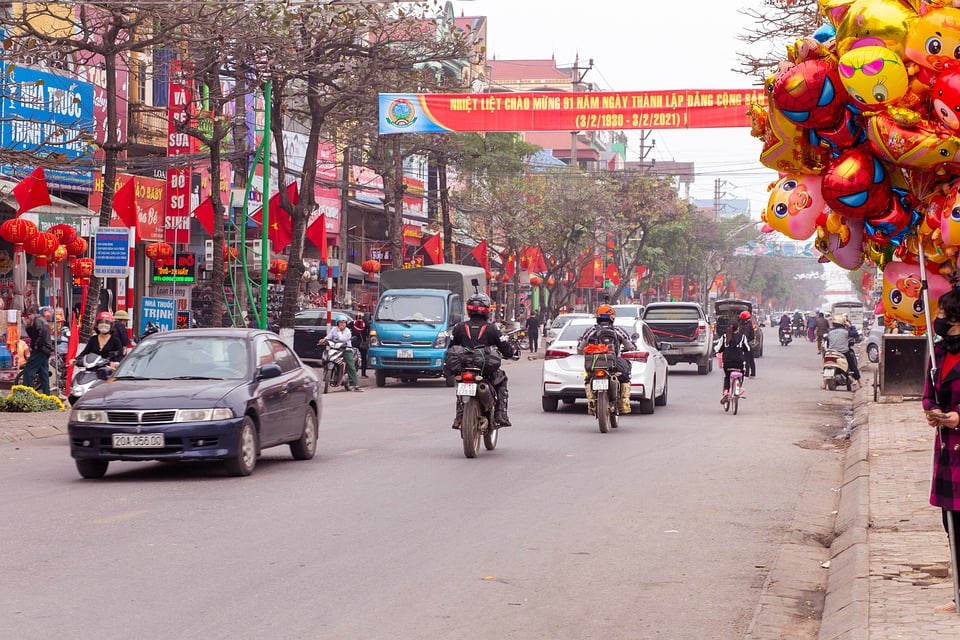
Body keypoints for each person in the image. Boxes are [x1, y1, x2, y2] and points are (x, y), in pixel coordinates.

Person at [922, 288, 960, 613]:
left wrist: (958, 416)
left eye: (948, 317)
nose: (941, 321)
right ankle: (958, 595)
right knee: (952, 525)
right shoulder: (938, 353)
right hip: (948, 451)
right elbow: (927, 394)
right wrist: (933, 411)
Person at [450, 292, 516, 428]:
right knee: (502, 378)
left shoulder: (459, 328)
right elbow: (506, 350)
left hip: (464, 367)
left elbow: (451, 348)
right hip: (484, 369)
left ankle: (459, 415)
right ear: (486, 311)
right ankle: (500, 414)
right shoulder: (492, 328)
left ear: (469, 310)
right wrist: (511, 352)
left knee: (460, 384)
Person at [577, 304, 636, 415]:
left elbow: (580, 348)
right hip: (614, 363)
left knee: (587, 378)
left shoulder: (590, 331)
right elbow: (630, 346)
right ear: (612, 317)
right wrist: (632, 347)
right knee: (625, 377)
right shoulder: (618, 330)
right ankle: (624, 404)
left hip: (593, 364)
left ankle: (591, 404)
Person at [319, 315, 363, 392]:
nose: (342, 324)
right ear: (337, 323)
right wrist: (323, 340)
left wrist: (339, 332)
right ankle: (326, 374)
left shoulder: (347, 331)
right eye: (340, 322)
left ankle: (355, 385)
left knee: (350, 365)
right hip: (335, 349)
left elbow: (343, 339)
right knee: (326, 357)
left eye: (344, 322)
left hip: (346, 350)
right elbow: (328, 337)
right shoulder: (333, 330)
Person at [714, 321, 750, 407]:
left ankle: (726, 392)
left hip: (727, 363)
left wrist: (718, 351)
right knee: (741, 374)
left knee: (727, 376)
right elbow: (747, 348)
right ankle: (739, 387)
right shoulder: (742, 337)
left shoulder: (725, 337)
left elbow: (718, 348)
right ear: (738, 328)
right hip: (739, 363)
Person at [22, 305, 53, 395]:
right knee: (43, 372)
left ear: (34, 313)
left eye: (30, 314)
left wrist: (35, 346)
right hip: (45, 349)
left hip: (41, 349)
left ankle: (26, 392)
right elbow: (33, 335)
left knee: (29, 369)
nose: (29, 316)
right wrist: (28, 327)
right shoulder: (38, 321)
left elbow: (40, 335)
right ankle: (46, 394)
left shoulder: (39, 320)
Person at [825, 317, 862, 389]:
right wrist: (850, 326)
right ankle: (860, 382)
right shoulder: (846, 331)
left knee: (827, 364)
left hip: (831, 353)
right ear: (843, 323)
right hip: (843, 353)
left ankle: (824, 384)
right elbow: (855, 334)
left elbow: (828, 344)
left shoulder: (830, 332)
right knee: (853, 366)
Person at [349, 312, 370, 378]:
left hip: (354, 343)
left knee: (352, 358)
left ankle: (352, 373)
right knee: (364, 359)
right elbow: (369, 332)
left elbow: (347, 329)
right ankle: (363, 374)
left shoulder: (352, 323)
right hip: (362, 343)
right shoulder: (365, 324)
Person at [738, 310, 757, 378]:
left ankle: (747, 374)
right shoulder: (749, 324)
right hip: (750, 343)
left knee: (747, 358)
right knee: (750, 358)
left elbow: (745, 335)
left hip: (747, 343)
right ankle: (753, 374)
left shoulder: (747, 326)